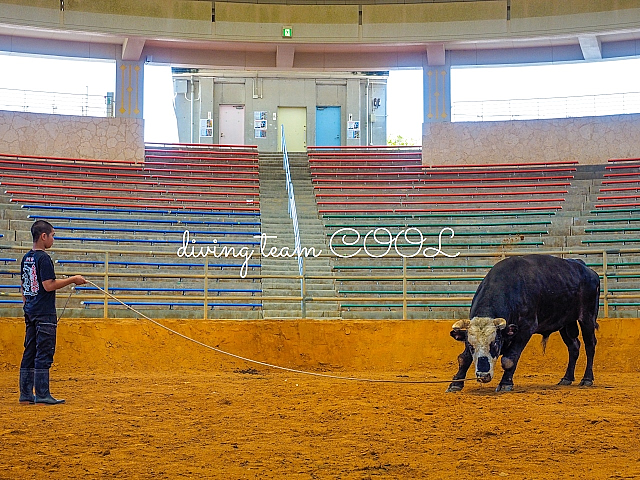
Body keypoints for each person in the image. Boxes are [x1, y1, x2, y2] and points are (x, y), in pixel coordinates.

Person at [19, 220, 86, 405]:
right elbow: (48, 286)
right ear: (43, 236)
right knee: (44, 352)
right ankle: (42, 394)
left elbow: (24, 286)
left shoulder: (27, 258)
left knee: (30, 351)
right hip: (44, 313)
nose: (53, 239)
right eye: (52, 235)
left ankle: (25, 394)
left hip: (31, 310)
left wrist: (27, 305)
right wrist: (73, 279)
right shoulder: (44, 258)